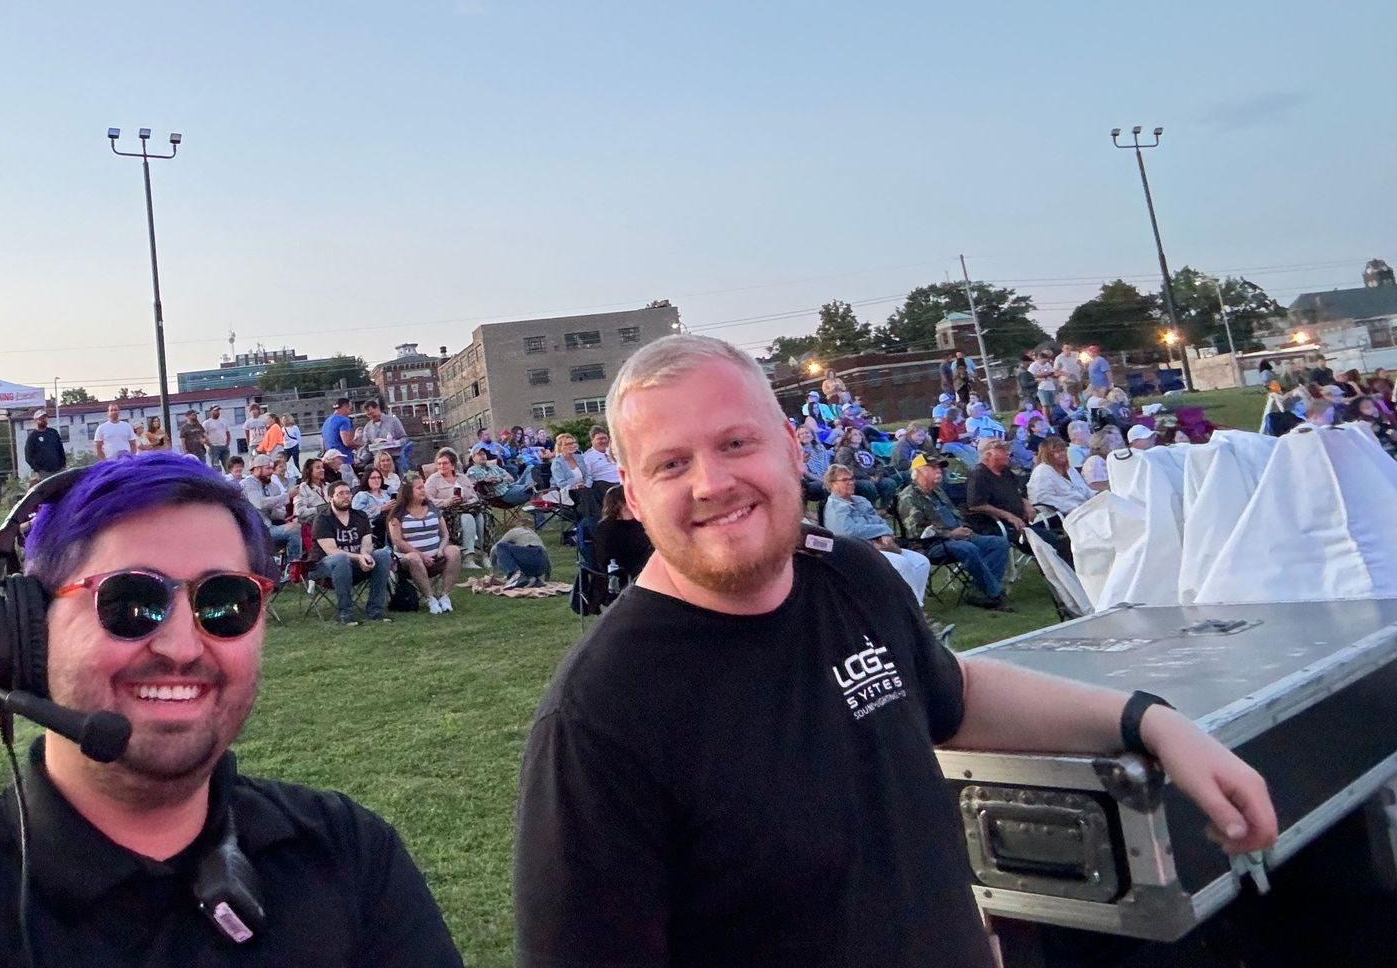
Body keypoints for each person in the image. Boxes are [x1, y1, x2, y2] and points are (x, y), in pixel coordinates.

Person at [512, 335, 1276, 968]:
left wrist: (1150, 720)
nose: (713, 482)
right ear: (634, 496)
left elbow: (953, 694)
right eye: (671, 464)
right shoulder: (600, 718)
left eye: (736, 443)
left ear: (787, 447)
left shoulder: (847, 573)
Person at [0, 455, 462, 967]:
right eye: (131, 600)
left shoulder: (352, 859)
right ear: (28, 632)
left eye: (224, 603)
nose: (182, 647)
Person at [898, 454, 1011, 608]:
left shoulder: (938, 491)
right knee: (968, 548)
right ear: (920, 471)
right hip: (932, 545)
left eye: (939, 468)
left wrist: (965, 529)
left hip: (958, 536)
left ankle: (979, 591)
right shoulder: (908, 497)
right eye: (933, 468)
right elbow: (918, 532)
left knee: (998, 543)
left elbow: (955, 514)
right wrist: (951, 534)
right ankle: (994, 593)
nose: (939, 471)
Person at [820, 463, 932, 605]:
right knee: (901, 564)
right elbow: (849, 531)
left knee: (921, 561)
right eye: (845, 480)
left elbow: (880, 520)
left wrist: (885, 533)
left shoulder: (861, 500)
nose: (851, 482)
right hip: (858, 553)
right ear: (832, 484)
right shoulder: (834, 508)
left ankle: (915, 606)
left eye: (852, 478)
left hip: (881, 545)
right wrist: (882, 532)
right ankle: (912, 611)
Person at [967, 436, 1069, 562]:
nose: (1008, 453)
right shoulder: (979, 476)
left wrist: (1025, 503)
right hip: (996, 526)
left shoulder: (1005, 472)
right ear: (988, 454)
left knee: (1055, 539)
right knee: (1050, 542)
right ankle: (1061, 573)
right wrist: (1008, 516)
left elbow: (1016, 492)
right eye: (1003, 450)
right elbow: (976, 504)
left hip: (1020, 523)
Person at [310, 476, 395, 625]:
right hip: (325, 567)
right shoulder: (323, 519)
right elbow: (331, 550)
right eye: (340, 494)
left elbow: (367, 542)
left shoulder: (360, 515)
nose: (345, 497)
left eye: (348, 493)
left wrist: (365, 556)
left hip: (355, 565)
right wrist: (359, 557)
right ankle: (346, 613)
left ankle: (375, 611)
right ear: (331, 498)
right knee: (340, 559)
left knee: (382, 554)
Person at [387, 473, 459, 613]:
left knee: (453, 551)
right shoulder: (398, 514)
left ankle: (445, 596)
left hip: (435, 556)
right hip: (408, 560)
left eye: (423, 487)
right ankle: (430, 598)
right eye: (419, 488)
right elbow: (398, 541)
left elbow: (445, 534)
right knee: (413, 558)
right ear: (408, 492)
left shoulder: (432, 508)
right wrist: (421, 555)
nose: (423, 490)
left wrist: (441, 549)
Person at [589, 484, 650, 606]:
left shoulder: (640, 523)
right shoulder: (606, 528)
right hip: (621, 570)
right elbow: (604, 558)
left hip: (644, 564)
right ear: (619, 503)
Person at [425, 449, 483, 565]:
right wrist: (446, 501)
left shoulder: (462, 478)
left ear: (453, 465)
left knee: (481, 517)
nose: (442, 466)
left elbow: (474, 497)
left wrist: (465, 501)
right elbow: (428, 500)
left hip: (465, 508)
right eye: (439, 463)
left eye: (445, 463)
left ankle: (484, 552)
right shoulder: (433, 480)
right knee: (467, 518)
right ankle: (468, 558)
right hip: (445, 513)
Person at [242, 455, 300, 565]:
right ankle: (294, 566)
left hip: (270, 527)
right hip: (254, 532)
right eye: (268, 468)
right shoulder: (248, 483)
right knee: (294, 529)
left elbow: (280, 512)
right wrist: (287, 496)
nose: (271, 472)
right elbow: (259, 503)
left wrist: (287, 518)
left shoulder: (273, 486)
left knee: (296, 526)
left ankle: (292, 565)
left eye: (272, 469)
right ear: (257, 469)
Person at [1027, 434, 1093, 517]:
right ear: (1047, 454)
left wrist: (1096, 496)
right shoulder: (1041, 471)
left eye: (1063, 450)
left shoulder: (1069, 468)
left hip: (1085, 509)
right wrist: (1073, 507)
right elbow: (1042, 499)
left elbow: (1084, 489)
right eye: (1056, 452)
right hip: (1061, 516)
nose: (1062, 454)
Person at [578, 425, 623, 522]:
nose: (603, 441)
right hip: (603, 486)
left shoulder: (614, 452)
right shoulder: (588, 456)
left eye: (605, 438)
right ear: (592, 440)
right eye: (599, 439)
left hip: (621, 481)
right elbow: (587, 475)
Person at [492, 522, 554, 588]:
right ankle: (532, 578)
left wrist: (492, 570)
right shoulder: (534, 535)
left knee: (501, 546)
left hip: (530, 555)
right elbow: (545, 555)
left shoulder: (514, 531)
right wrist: (546, 576)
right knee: (519, 560)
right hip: (541, 563)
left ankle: (516, 575)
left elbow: (494, 549)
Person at [359, 398, 411, 473]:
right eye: (368, 415)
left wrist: (395, 443)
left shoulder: (393, 421)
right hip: (378, 461)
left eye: (372, 413)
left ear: (378, 408)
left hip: (394, 458)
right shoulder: (367, 427)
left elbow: (404, 438)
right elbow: (366, 446)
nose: (371, 416)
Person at [24, 407, 67, 479]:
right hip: (44, 473)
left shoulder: (53, 432)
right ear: (36, 420)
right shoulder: (32, 437)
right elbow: (28, 456)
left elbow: (60, 449)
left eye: (45, 418)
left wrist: (63, 464)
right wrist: (38, 470)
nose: (44, 420)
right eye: (41, 418)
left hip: (59, 470)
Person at [319, 395, 358, 464]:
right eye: (350, 408)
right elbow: (347, 442)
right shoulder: (344, 420)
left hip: (330, 459)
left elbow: (323, 443)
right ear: (345, 406)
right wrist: (359, 445)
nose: (350, 412)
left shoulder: (326, 422)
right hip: (343, 459)